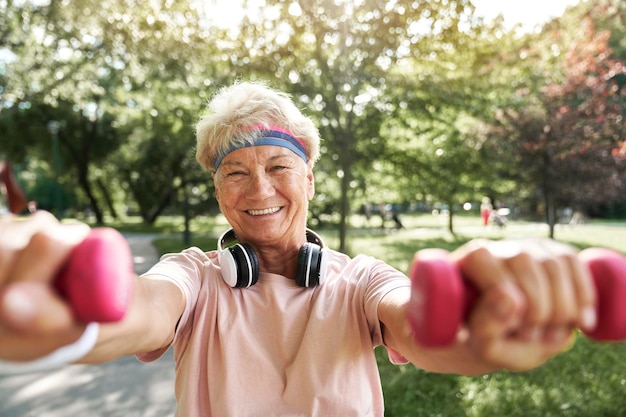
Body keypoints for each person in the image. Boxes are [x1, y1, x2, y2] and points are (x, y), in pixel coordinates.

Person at [0, 81, 598, 416]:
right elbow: (141, 309)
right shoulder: (193, 275)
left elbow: (420, 324)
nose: (259, 189)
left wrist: (475, 319)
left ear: (309, 179)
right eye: (235, 172)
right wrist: (69, 319)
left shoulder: (360, 279)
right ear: (217, 190)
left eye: (278, 166)